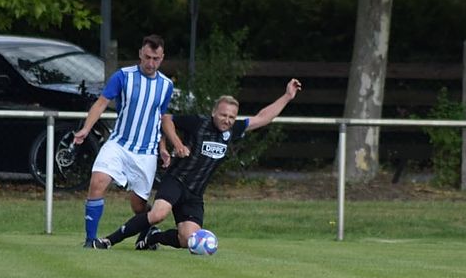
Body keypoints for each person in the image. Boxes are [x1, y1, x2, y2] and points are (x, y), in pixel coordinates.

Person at [90, 78, 302, 250]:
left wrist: (287, 96)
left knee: (188, 239)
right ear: (214, 112)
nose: (227, 120)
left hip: (195, 194)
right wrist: (177, 143)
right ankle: (109, 241)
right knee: (158, 214)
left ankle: (153, 238)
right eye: (223, 115)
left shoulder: (232, 131)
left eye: (231, 117)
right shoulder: (198, 123)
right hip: (176, 180)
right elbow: (167, 119)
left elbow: (262, 118)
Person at [74, 34, 187, 249]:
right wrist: (86, 129)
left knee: (138, 206)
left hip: (146, 152)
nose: (151, 63)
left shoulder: (166, 85)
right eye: (147, 57)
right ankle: (90, 240)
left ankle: (147, 233)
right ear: (140, 54)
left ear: (162, 58)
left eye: (156, 59)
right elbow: (101, 103)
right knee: (97, 182)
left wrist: (163, 147)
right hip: (119, 144)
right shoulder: (123, 76)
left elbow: (161, 118)